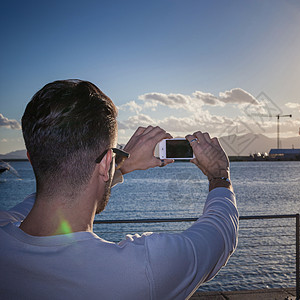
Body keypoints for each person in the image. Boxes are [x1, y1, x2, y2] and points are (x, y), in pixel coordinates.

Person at [0, 80, 238, 299]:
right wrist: (219, 175)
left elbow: (39, 202)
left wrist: (117, 165)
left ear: (31, 159)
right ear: (106, 163)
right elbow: (219, 235)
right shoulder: (143, 271)